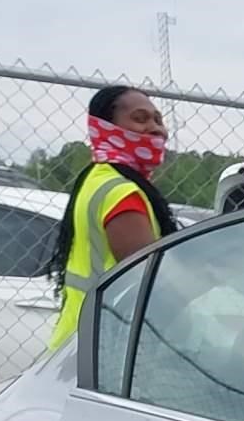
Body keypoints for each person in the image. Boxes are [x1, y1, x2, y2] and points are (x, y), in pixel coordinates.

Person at [46, 85, 178, 349]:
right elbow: (152, 283)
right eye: (140, 119)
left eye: (158, 119)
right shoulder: (122, 193)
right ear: (105, 128)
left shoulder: (97, 177)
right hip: (102, 348)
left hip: (78, 341)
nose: (156, 129)